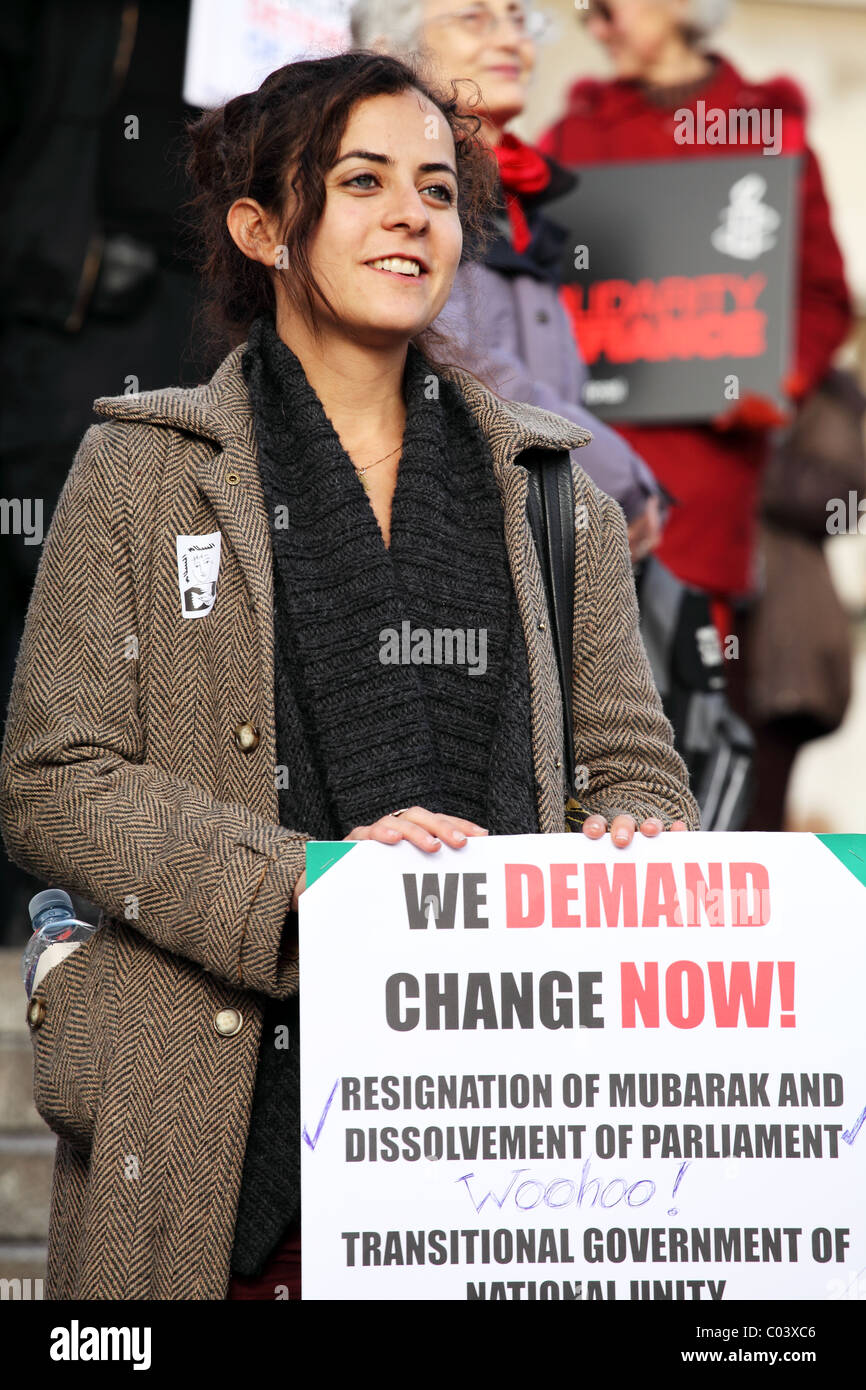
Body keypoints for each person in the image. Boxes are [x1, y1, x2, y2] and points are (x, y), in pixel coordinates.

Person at [0, 51, 698, 1301]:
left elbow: (631, 762)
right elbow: (55, 779)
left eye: (436, 189)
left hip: (493, 1147)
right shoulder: (143, 471)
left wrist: (635, 831)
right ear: (262, 226)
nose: (410, 217)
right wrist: (307, 883)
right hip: (218, 1118)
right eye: (362, 181)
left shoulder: (551, 490)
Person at [539, 0, 853, 825]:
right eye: (586, 15)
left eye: (608, 9)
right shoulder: (573, 137)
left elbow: (823, 295)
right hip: (588, 473)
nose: (595, 27)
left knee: (697, 725)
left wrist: (771, 382)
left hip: (717, 488)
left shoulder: (766, 127)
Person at [351, 0, 663, 560]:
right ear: (388, 50)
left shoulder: (518, 203)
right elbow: (458, 361)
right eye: (474, 18)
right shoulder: (389, 197)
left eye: (519, 19)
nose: (510, 41)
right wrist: (619, 478)